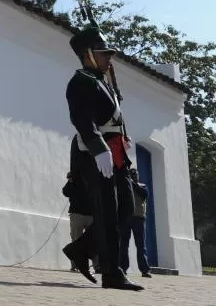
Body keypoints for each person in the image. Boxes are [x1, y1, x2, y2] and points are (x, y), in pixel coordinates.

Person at [60, 26, 143, 291]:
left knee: (126, 209)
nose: (109, 58)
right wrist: (99, 149)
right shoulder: (81, 81)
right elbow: (82, 120)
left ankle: (79, 249)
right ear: (87, 55)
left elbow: (115, 118)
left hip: (115, 153)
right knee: (107, 213)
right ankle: (112, 274)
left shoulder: (101, 81)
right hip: (96, 155)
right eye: (103, 53)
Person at [120, 168, 152, 278]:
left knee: (141, 246)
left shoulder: (143, 186)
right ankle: (123, 268)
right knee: (123, 245)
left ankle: (145, 270)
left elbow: (145, 195)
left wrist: (134, 184)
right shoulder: (124, 186)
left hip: (138, 218)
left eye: (135, 175)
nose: (134, 176)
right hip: (126, 218)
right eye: (132, 175)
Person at [62, 171, 93, 272]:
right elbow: (65, 192)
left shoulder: (92, 177)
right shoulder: (74, 179)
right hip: (77, 214)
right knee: (76, 241)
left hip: (91, 214)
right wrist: (70, 180)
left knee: (94, 240)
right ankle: (76, 265)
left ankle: (97, 266)